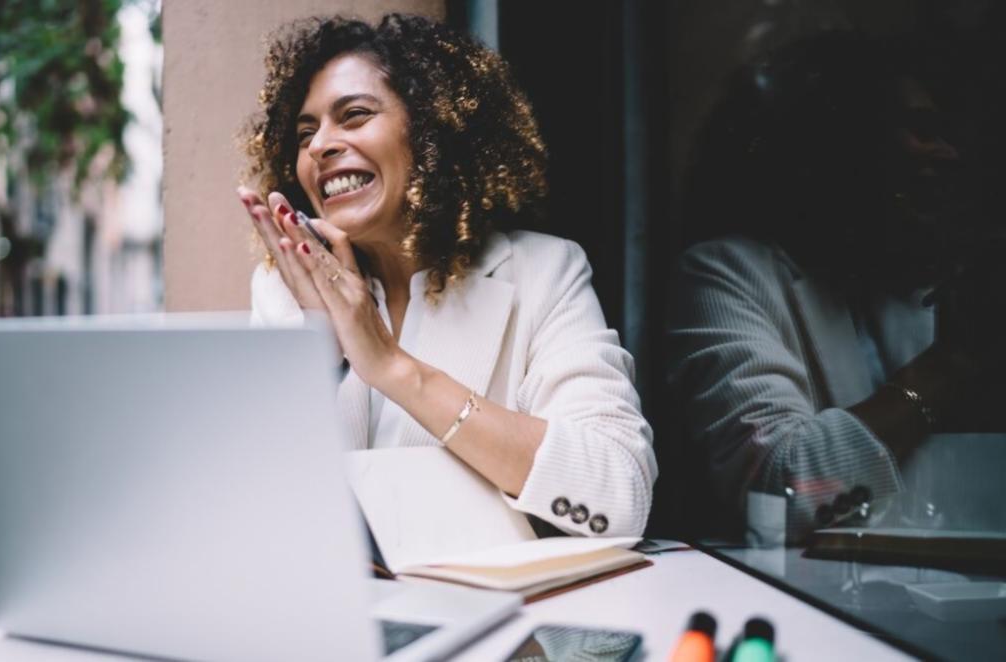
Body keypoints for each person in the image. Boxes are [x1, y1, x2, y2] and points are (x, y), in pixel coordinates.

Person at [235, 14, 656, 538]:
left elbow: (619, 495)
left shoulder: (543, 273)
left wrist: (393, 368)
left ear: (432, 132)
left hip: (495, 608)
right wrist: (317, 351)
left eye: (355, 115)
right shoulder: (284, 291)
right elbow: (257, 509)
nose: (320, 145)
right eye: (305, 133)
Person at [666, 31, 1005, 540]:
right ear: (844, 141)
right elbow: (783, 491)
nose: (948, 154)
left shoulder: (937, 280)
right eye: (921, 129)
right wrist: (952, 361)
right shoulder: (726, 275)